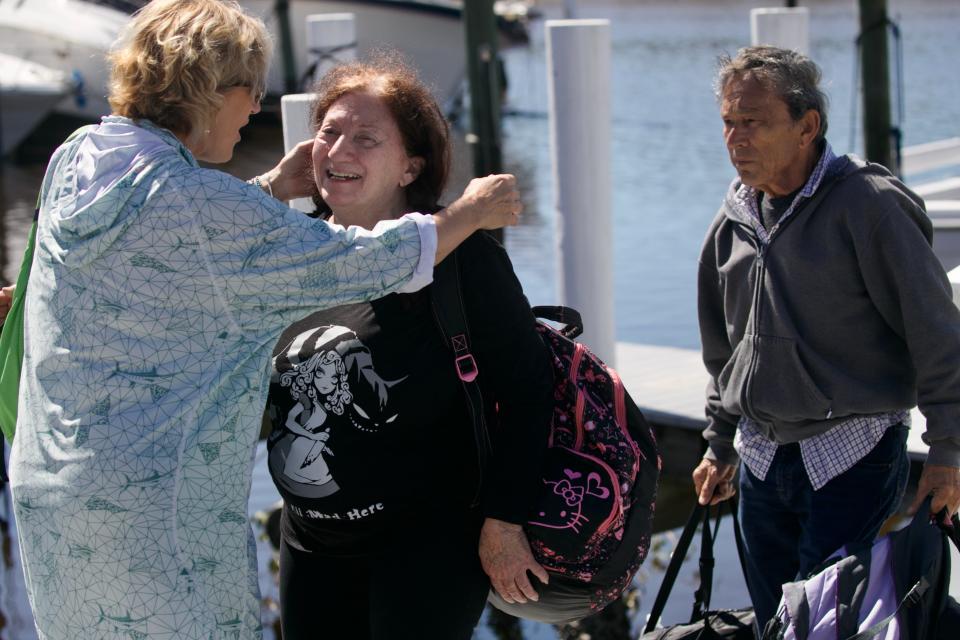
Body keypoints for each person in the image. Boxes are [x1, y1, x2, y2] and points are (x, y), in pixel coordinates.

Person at [8, 1, 523, 638]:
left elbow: (170, 245)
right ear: (206, 90)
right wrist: (468, 214)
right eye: (249, 89)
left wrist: (267, 191)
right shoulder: (203, 206)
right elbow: (361, 261)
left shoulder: (81, 153)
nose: (256, 107)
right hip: (153, 510)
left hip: (54, 496)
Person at [262, 56, 553, 640]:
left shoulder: (460, 253)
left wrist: (504, 520)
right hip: (311, 542)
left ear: (409, 165)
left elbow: (529, 386)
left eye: (366, 139)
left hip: (426, 548)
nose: (339, 150)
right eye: (329, 132)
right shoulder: (290, 248)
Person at [692, 45, 960, 629]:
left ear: (807, 125)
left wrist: (947, 451)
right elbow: (724, 347)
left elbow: (938, 332)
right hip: (760, 456)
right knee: (774, 622)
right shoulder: (733, 218)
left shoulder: (871, 208)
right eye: (728, 123)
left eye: (754, 122)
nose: (735, 139)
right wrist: (717, 441)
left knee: (827, 624)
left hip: (852, 453)